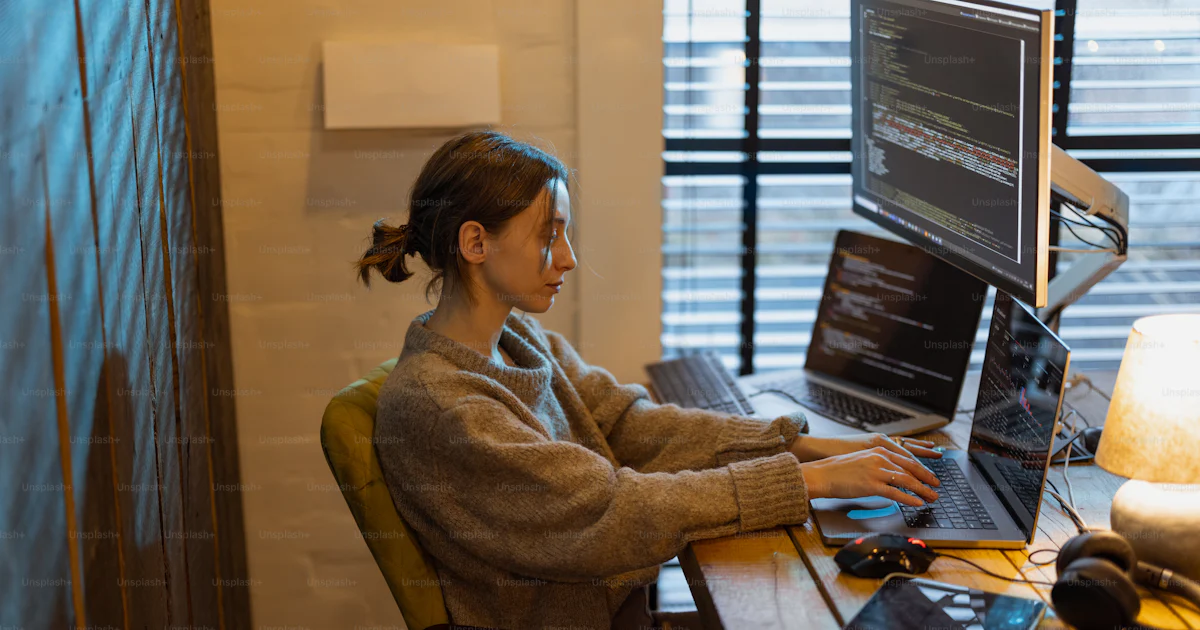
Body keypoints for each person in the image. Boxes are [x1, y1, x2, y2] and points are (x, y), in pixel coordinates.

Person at [356, 130, 942, 630]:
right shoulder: (444, 407)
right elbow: (610, 513)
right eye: (548, 235)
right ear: (476, 242)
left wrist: (807, 446)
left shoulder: (519, 340)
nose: (568, 258)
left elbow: (629, 425)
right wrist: (807, 482)